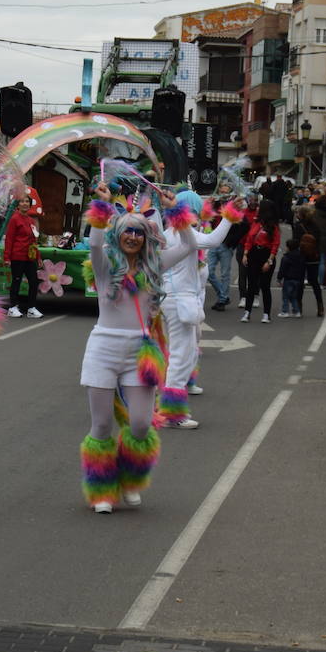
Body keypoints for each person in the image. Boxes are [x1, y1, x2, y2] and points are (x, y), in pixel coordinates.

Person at [78, 184, 187, 514]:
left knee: (140, 425)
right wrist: (101, 203)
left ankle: (130, 480)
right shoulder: (104, 267)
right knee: (101, 426)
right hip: (103, 349)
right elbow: (95, 241)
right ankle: (101, 490)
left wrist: (176, 212)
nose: (133, 237)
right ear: (118, 235)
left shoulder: (155, 267)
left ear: (146, 237)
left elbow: (191, 244)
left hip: (139, 353)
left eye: (139, 232)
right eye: (127, 231)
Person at [154, 191, 242, 430]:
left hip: (173, 299)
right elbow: (213, 241)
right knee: (182, 357)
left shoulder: (169, 233)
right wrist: (229, 216)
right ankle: (171, 413)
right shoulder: (181, 234)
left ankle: (160, 401)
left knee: (179, 354)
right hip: (180, 300)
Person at [3, 187, 42, 319]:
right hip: (17, 256)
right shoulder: (14, 219)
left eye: (27, 202)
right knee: (16, 281)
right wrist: (7, 257)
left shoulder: (30, 220)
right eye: (22, 201)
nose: (25, 203)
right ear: (18, 204)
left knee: (34, 282)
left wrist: (38, 256)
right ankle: (13, 307)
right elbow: (9, 239)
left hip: (30, 257)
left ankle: (31, 308)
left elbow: (33, 240)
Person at [240, 201, 280, 324]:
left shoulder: (273, 226)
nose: (257, 209)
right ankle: (247, 312)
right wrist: (245, 254)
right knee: (251, 285)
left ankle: (266, 314)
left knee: (265, 286)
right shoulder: (256, 223)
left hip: (267, 255)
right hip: (253, 255)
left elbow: (275, 244)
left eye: (259, 208)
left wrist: (270, 261)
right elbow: (249, 240)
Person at [276, 238, 306, 319]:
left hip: (288, 279)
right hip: (298, 279)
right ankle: (296, 311)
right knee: (294, 296)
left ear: (289, 248)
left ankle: (285, 311)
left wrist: (279, 278)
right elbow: (303, 269)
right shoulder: (301, 256)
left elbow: (282, 269)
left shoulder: (286, 257)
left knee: (285, 296)